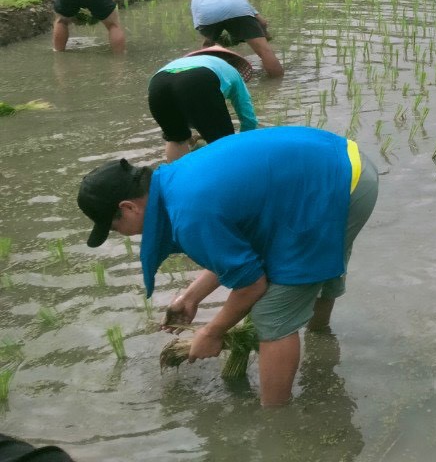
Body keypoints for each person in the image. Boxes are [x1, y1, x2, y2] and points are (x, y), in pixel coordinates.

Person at [77, 126, 377, 407]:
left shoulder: (188, 213)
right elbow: (239, 252)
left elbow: (252, 284)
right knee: (313, 263)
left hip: (335, 186)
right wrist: (192, 297)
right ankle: (320, 334)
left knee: (271, 314)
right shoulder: (175, 182)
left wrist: (213, 331)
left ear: (128, 207)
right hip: (342, 163)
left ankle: (277, 419)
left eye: (114, 229)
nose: (123, 235)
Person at [149, 47, 258, 162]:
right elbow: (248, 119)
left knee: (176, 139)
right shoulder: (233, 73)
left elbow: (186, 105)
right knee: (223, 143)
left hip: (157, 83)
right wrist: (244, 145)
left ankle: (179, 178)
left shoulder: (183, 63)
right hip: (199, 79)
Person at [190, 0, 283, 77]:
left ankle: (207, 76)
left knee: (207, 47)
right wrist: (265, 35)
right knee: (265, 51)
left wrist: (213, 40)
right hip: (237, 9)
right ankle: (276, 84)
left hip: (207, 14)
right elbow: (262, 22)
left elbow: (200, 26)